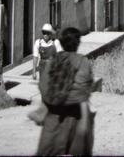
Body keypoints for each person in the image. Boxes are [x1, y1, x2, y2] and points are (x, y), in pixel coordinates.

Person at [36, 27, 94, 156]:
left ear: (61, 42)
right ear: (78, 43)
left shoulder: (53, 61)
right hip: (76, 116)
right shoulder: (82, 61)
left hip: (53, 117)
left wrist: (51, 100)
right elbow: (84, 90)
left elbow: (44, 86)